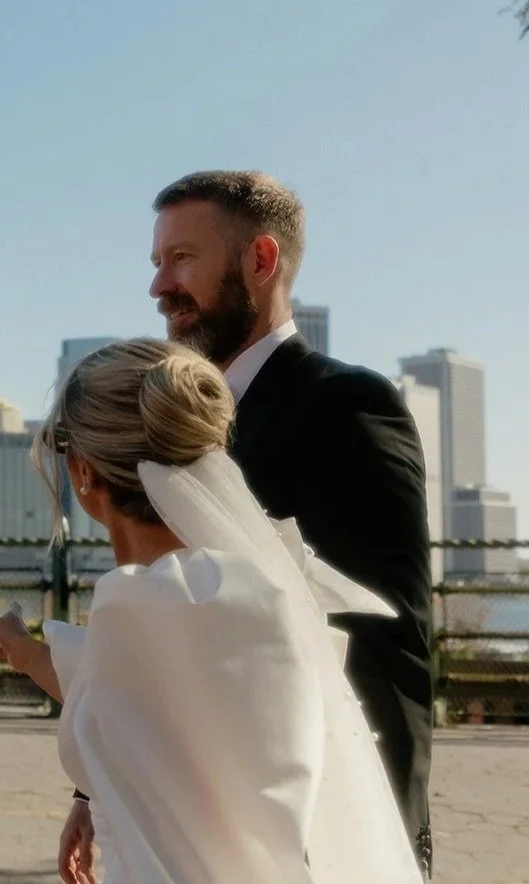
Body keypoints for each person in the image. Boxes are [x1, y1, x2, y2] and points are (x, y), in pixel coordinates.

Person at [0, 338, 424, 884]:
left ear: (84, 472)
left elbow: (102, 680)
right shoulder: (257, 588)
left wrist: (19, 646)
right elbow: (107, 681)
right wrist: (21, 646)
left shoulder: (139, 607)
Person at [142, 170, 436, 874]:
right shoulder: (181, 428)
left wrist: (380, 843)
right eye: (156, 264)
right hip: (203, 821)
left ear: (261, 261)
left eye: (181, 259)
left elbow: (381, 643)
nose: (159, 287)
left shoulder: (347, 407)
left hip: (314, 833)